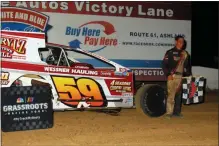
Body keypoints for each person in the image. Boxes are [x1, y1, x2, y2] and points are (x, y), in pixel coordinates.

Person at [162, 35, 192, 118]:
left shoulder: (185, 54)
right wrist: (168, 74)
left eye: (183, 42)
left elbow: (187, 67)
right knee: (171, 94)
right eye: (179, 41)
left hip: (181, 77)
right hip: (172, 76)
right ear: (176, 42)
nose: (181, 43)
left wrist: (188, 76)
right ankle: (169, 113)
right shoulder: (170, 52)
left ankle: (177, 112)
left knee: (179, 95)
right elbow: (164, 64)